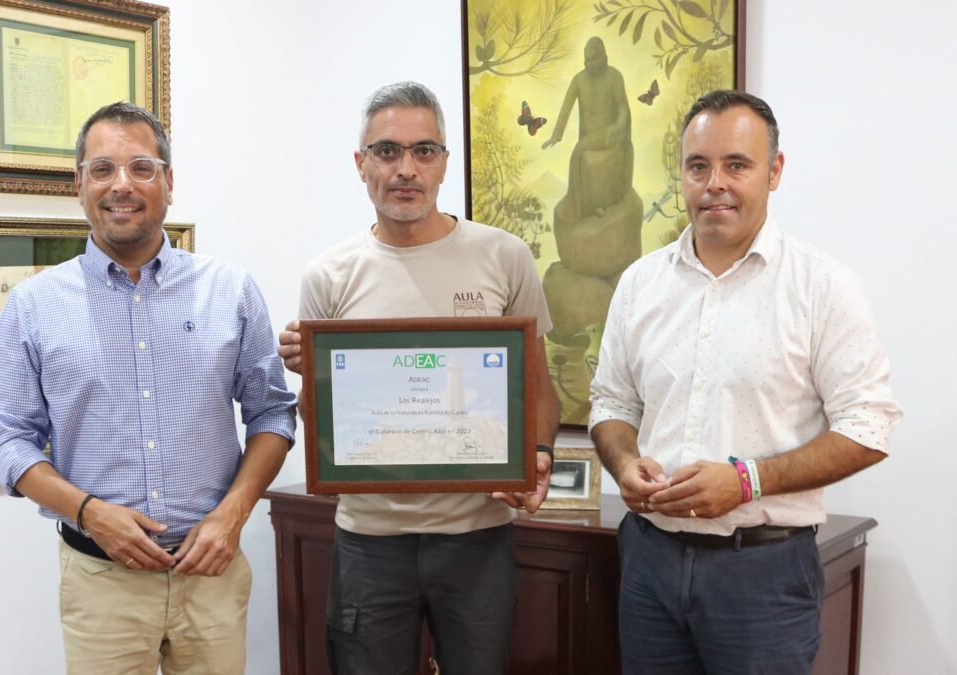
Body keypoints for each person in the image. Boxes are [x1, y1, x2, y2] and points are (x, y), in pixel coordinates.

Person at [588, 89, 902, 674]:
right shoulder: (640, 283)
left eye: (737, 165)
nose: (715, 184)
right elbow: (611, 401)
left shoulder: (823, 287)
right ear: (681, 173)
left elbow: (869, 427)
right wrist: (624, 463)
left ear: (774, 171)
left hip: (763, 574)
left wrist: (747, 481)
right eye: (698, 166)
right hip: (648, 561)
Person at [0, 101, 297, 674]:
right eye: (101, 169)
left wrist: (234, 512)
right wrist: (88, 511)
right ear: (78, 185)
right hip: (101, 584)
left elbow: (273, 414)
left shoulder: (231, 290)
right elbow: (8, 441)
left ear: (169, 183)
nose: (120, 185)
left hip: (212, 578)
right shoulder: (32, 306)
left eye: (141, 168)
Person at [276, 81, 560, 675]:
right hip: (369, 540)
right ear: (361, 165)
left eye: (424, 151)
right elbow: (317, 422)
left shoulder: (504, 256)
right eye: (386, 151)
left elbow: (537, 390)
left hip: (478, 536)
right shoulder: (328, 275)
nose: (406, 169)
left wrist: (535, 454)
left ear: (444, 163)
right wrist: (314, 372)